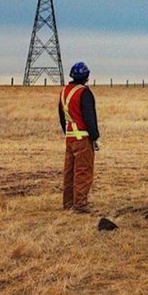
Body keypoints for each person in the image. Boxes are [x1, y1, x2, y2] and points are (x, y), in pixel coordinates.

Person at [58, 61, 100, 213]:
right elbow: (90, 117)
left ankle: (68, 203)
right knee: (83, 170)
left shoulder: (64, 91)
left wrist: (68, 132)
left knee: (69, 171)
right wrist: (95, 137)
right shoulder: (84, 92)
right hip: (83, 137)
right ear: (87, 77)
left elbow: (62, 117)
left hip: (70, 137)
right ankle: (81, 204)